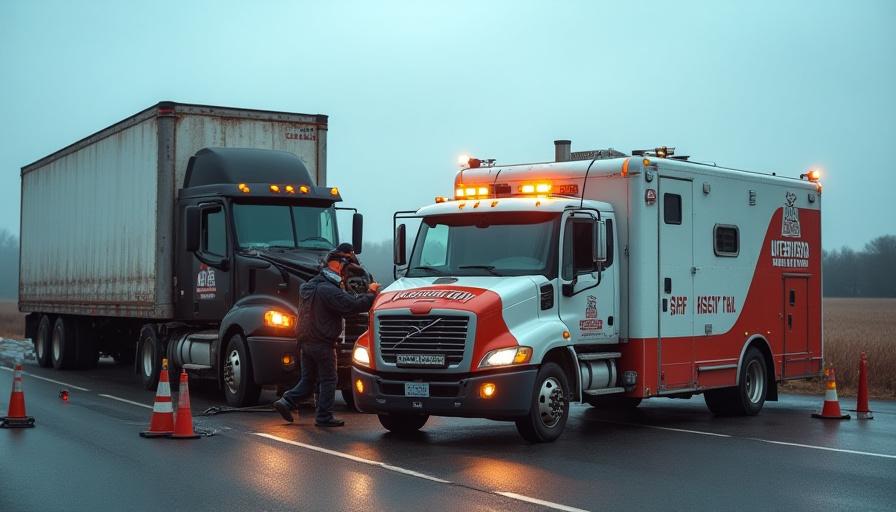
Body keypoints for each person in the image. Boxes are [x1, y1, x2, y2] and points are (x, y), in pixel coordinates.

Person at [273, 243, 380, 427]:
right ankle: (324, 417)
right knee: (329, 379)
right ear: (336, 265)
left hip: (305, 341)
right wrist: (371, 292)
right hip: (322, 343)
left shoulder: (309, 286)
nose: (345, 272)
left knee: (308, 379)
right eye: (344, 267)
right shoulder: (329, 290)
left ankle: (286, 401)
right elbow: (352, 306)